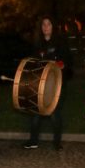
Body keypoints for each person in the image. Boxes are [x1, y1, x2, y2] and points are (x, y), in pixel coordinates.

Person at [23, 16, 73, 151]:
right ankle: (33, 141)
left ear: (53, 26)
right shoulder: (37, 44)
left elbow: (67, 62)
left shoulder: (61, 42)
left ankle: (57, 143)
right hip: (40, 84)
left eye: (48, 24)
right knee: (36, 110)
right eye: (43, 24)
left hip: (56, 84)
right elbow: (32, 62)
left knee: (55, 112)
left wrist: (60, 65)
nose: (46, 27)